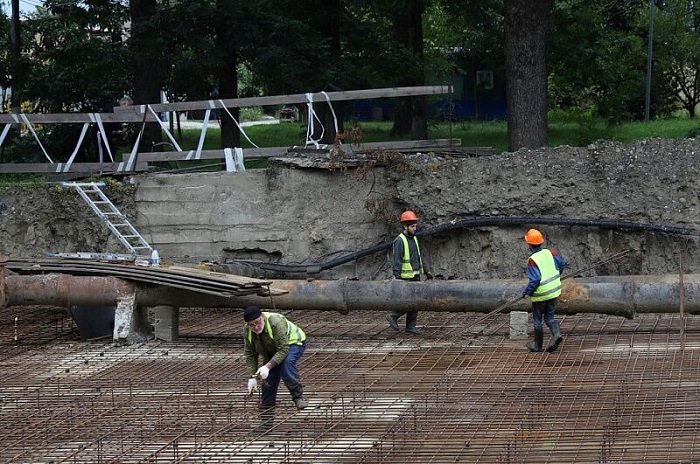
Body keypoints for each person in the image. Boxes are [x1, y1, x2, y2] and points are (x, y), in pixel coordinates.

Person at [243, 306, 308, 411]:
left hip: (293, 343)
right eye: (251, 325)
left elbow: (283, 349)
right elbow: (250, 354)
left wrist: (268, 366)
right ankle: (267, 411)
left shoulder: (276, 323)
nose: (255, 327)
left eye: (257, 322)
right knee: (268, 379)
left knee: (286, 364)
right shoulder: (247, 331)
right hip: (271, 348)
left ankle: (298, 397)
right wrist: (252, 376)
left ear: (262, 317)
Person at [385, 210, 433, 335]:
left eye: (415, 226)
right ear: (405, 226)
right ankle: (393, 315)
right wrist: (398, 277)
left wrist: (426, 271)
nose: (414, 228)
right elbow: (397, 261)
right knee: (411, 302)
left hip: (415, 275)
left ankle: (410, 327)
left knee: (416, 303)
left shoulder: (414, 239)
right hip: (406, 278)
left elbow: (419, 256)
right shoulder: (400, 240)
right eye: (412, 226)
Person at [522, 228, 567, 353]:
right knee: (550, 318)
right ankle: (556, 334)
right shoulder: (551, 253)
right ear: (541, 242)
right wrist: (558, 274)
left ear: (529, 244)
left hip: (541, 295)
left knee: (537, 319)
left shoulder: (532, 260)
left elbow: (535, 280)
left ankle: (537, 345)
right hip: (554, 292)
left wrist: (527, 291)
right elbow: (562, 263)